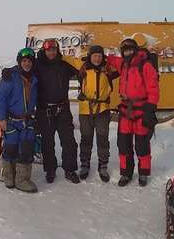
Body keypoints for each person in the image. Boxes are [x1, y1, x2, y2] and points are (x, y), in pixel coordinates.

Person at [107, 38, 159, 187]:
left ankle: (143, 173)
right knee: (123, 144)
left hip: (142, 111)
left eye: (130, 50)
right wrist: (99, 56)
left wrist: (151, 107)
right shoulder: (122, 63)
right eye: (124, 51)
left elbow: (153, 87)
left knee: (142, 145)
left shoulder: (146, 65)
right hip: (125, 111)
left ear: (135, 50)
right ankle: (126, 173)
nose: (127, 53)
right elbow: (112, 60)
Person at [65, 45, 117, 182]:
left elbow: (124, 66)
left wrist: (110, 59)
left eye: (100, 56)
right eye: (95, 55)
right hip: (85, 109)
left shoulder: (108, 70)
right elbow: (63, 63)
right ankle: (85, 164)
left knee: (102, 138)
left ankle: (103, 165)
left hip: (103, 109)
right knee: (86, 138)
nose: (97, 58)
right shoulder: (82, 70)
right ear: (90, 56)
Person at [35, 39, 81, 184]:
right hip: (44, 110)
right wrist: (9, 72)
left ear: (57, 50)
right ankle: (50, 170)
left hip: (63, 109)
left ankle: (70, 170)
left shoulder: (64, 65)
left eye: (54, 50)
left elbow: (82, 74)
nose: (51, 53)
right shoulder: (37, 66)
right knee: (47, 143)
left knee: (69, 142)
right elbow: (23, 69)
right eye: (49, 50)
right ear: (44, 51)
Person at [0, 48, 39, 193]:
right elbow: (0, 97)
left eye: (29, 61)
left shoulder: (34, 78)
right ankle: (9, 176)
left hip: (27, 120)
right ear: (19, 62)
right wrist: (1, 118)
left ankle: (22, 180)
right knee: (11, 148)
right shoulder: (10, 77)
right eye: (24, 61)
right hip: (11, 120)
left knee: (26, 150)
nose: (27, 64)